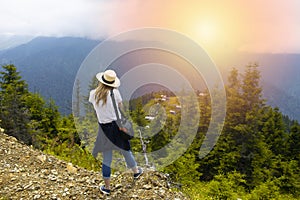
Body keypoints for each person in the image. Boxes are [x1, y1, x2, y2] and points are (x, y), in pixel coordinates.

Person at [89, 69, 143, 195]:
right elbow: (120, 107)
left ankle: (107, 188)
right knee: (125, 149)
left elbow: (96, 107)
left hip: (104, 128)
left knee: (107, 158)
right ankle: (136, 172)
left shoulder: (93, 94)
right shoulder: (115, 93)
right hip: (116, 127)